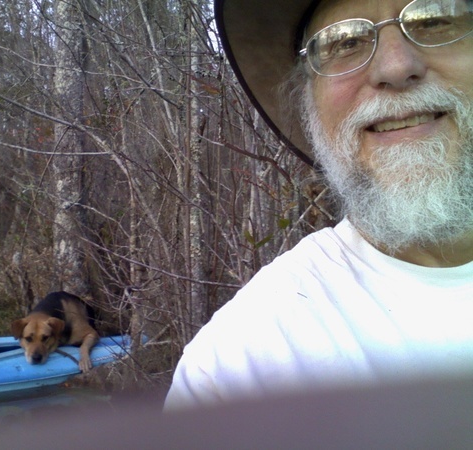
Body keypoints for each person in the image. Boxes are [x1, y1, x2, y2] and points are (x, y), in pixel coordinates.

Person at [164, 0, 473, 410]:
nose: (396, 66)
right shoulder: (239, 370)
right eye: (344, 42)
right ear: (310, 101)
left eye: (433, 19)